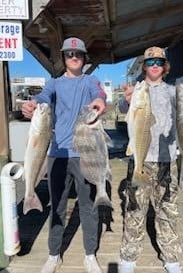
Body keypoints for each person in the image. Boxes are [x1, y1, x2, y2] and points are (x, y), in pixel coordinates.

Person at [21, 37, 106, 273]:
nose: (74, 57)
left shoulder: (91, 81)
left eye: (78, 54)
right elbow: (44, 97)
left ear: (84, 57)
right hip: (57, 155)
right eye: (69, 54)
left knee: (88, 207)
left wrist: (99, 101)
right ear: (64, 58)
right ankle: (53, 254)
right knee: (57, 206)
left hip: (86, 154)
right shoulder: (54, 83)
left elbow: (99, 94)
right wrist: (33, 104)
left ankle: (90, 255)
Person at [118, 46, 183, 273]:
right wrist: (126, 99)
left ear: (165, 67)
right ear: (144, 66)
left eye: (159, 62)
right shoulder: (137, 90)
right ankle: (128, 258)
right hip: (140, 160)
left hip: (166, 161)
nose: (155, 66)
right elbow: (124, 108)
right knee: (134, 210)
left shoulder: (174, 91)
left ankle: (171, 258)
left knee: (167, 210)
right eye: (151, 62)